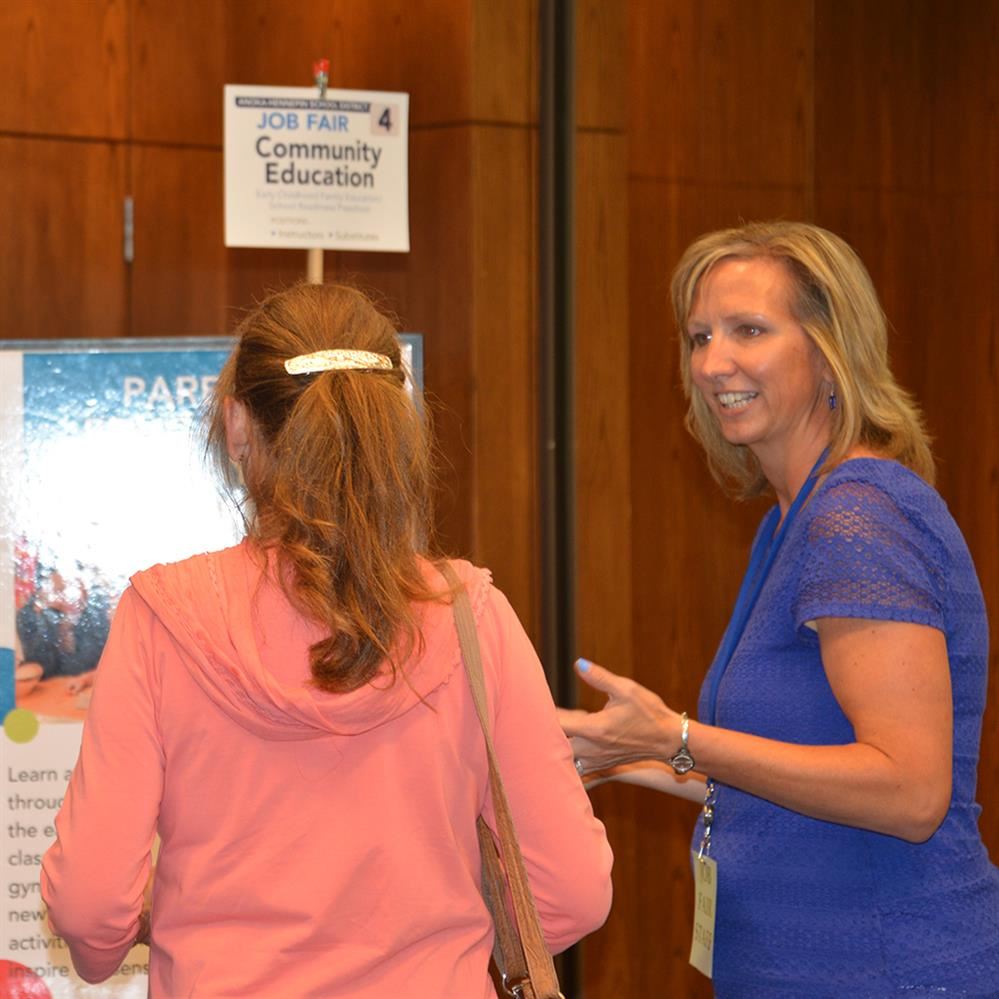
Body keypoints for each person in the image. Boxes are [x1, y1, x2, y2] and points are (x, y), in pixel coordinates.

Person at [42, 282, 612, 997]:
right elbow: (572, 889)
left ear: (238, 425)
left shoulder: (161, 617)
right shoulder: (472, 616)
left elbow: (90, 901)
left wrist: (138, 936)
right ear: (392, 427)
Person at [559, 221, 999, 995]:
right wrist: (636, 756)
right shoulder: (790, 519)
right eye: (699, 336)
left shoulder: (856, 516)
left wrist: (683, 736)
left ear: (830, 350)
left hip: (887, 967)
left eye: (748, 330)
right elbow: (801, 774)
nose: (711, 362)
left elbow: (910, 791)